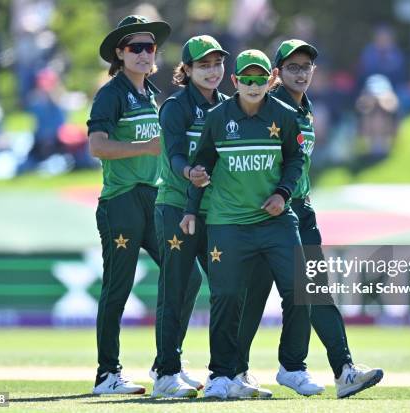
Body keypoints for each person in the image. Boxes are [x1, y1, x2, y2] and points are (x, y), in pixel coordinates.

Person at [235, 39, 384, 399]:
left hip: (300, 209)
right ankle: (233, 371)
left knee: (308, 291)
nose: (301, 74)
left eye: (306, 67)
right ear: (277, 73)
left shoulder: (304, 106)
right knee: (259, 295)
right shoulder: (271, 107)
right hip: (271, 212)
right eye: (292, 68)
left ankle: (336, 369)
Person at [180, 49, 322, 399]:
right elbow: (201, 167)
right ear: (236, 81)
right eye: (247, 78)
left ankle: (293, 368)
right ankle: (221, 375)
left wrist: (283, 194)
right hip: (229, 223)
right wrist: (189, 210)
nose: (254, 85)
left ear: (270, 80)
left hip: (275, 221)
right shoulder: (217, 118)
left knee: (300, 289)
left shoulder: (285, 115)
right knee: (226, 296)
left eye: (261, 79)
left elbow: (295, 160)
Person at [86, 15, 169, 395]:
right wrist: (144, 148)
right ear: (120, 54)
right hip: (121, 200)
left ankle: (167, 366)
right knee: (118, 287)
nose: (143, 54)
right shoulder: (112, 93)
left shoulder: (151, 93)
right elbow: (97, 146)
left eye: (149, 47)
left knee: (183, 275)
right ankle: (108, 374)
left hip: (152, 197)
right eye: (135, 47)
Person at [150, 35, 230, 398]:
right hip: (176, 207)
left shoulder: (230, 106)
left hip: (216, 212)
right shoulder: (175, 106)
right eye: (204, 65)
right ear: (187, 70)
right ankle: (166, 371)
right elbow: (176, 154)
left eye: (217, 64)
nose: (213, 71)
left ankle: (228, 371)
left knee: (228, 288)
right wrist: (188, 174)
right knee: (176, 287)